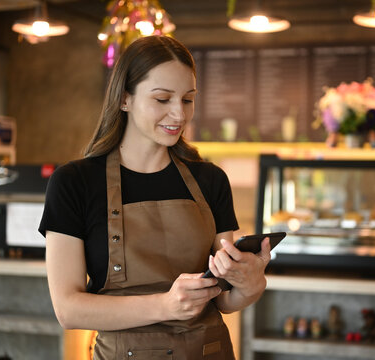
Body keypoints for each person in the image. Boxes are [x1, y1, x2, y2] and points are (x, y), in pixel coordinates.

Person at [39, 35, 271, 360]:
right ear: (124, 99)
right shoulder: (74, 183)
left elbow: (223, 299)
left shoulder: (210, 180)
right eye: (162, 99)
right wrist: (166, 305)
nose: (179, 115)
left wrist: (250, 284)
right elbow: (69, 310)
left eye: (188, 100)